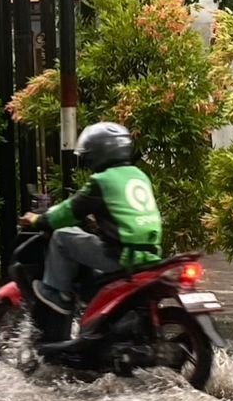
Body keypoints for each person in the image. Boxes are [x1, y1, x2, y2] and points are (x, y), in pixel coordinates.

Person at [20, 121, 163, 317]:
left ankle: (57, 295)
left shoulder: (102, 181)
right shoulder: (138, 175)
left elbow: (68, 211)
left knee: (62, 237)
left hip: (121, 255)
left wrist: (38, 220)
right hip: (151, 254)